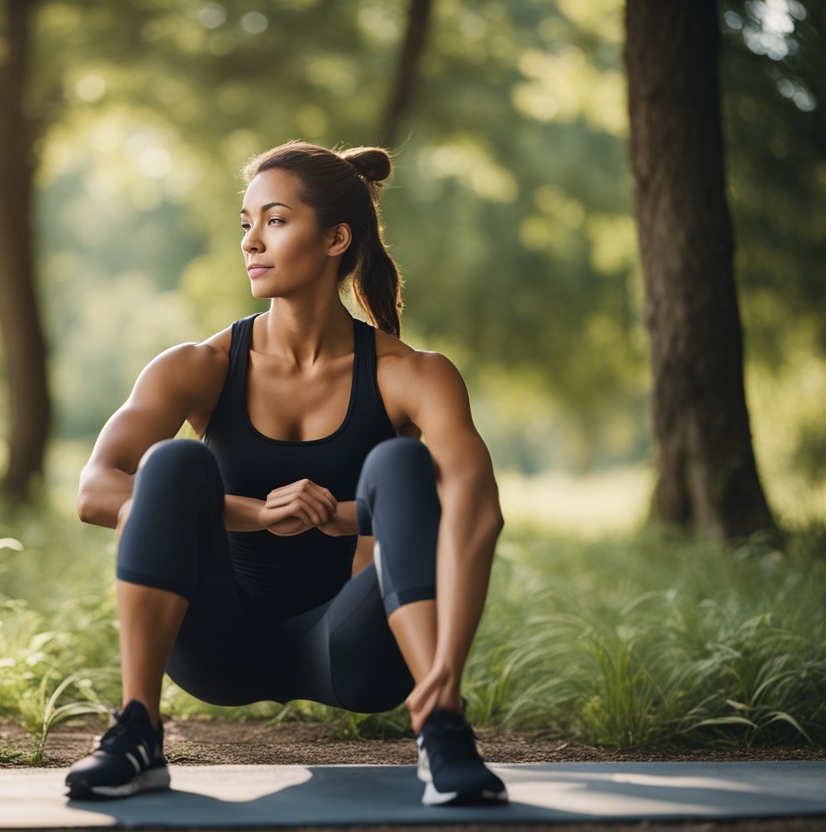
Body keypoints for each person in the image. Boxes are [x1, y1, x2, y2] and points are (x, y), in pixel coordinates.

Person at [65, 140, 507, 807]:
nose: (250, 242)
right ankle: (137, 730)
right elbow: (96, 490)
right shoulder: (198, 365)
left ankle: (442, 723)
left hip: (351, 652)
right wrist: (250, 511)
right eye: (245, 223)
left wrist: (447, 663)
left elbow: (476, 509)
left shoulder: (412, 374)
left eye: (274, 220)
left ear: (335, 237)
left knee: (401, 461)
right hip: (215, 644)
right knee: (175, 462)